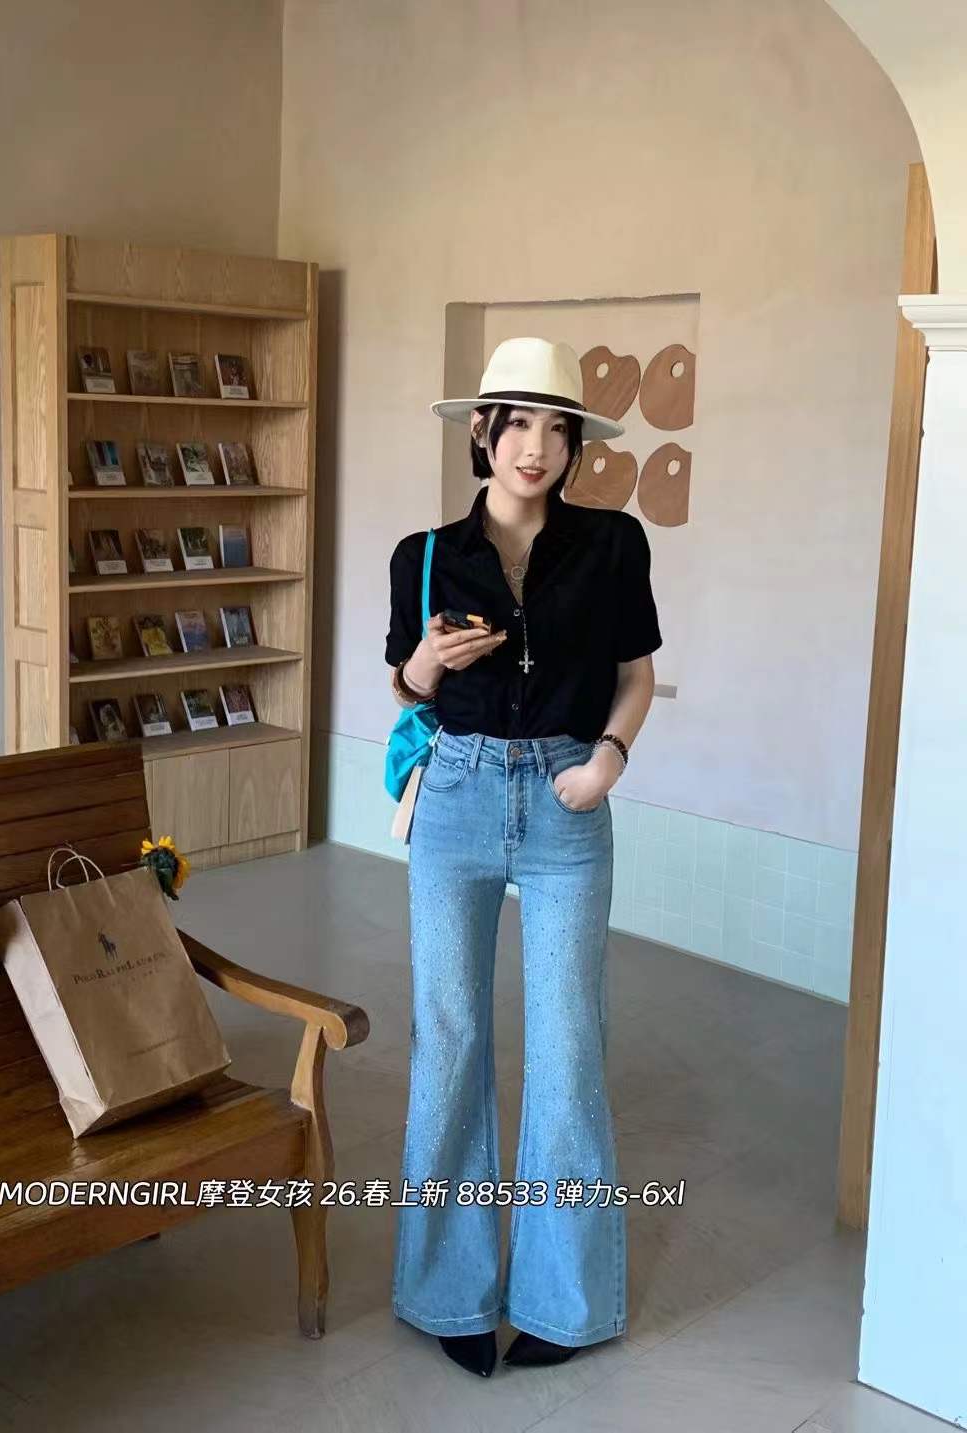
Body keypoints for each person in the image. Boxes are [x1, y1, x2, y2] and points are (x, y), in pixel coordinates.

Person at [385, 337, 662, 1378]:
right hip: (457, 793)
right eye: (518, 425)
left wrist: (609, 760)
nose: (537, 447)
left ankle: (564, 1298)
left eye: (557, 427)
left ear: (575, 443)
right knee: (449, 1037)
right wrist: (428, 658)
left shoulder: (614, 544)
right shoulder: (422, 554)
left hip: (565, 797)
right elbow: (407, 689)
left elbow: (635, 674)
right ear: (483, 432)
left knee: (568, 1047)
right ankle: (447, 1290)